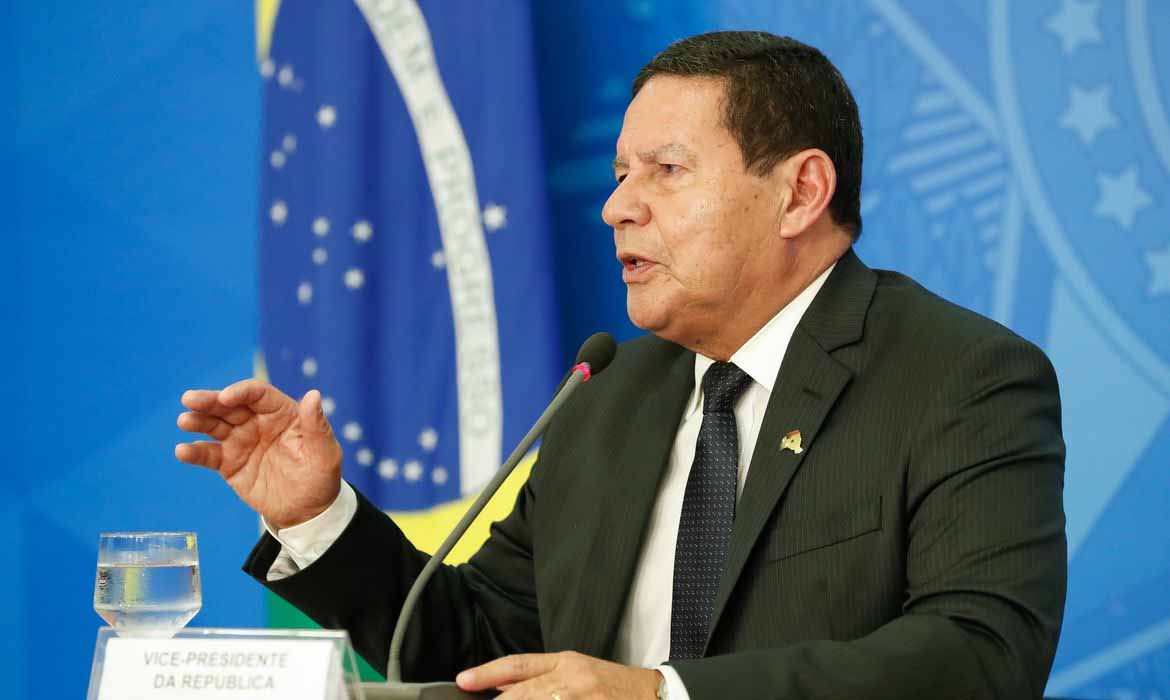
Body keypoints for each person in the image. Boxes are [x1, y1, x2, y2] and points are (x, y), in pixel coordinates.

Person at [176, 31, 1066, 699]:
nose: (616, 207)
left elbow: (982, 653)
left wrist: (660, 695)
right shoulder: (610, 395)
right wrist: (318, 516)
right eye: (619, 173)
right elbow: (481, 650)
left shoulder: (961, 376)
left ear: (800, 192)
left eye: (666, 170)